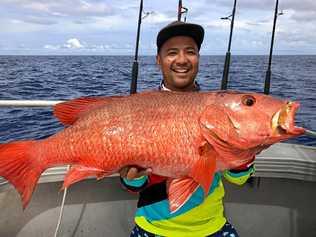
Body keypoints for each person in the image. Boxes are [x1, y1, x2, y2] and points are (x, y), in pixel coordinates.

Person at [120, 20, 255, 237]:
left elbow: (238, 179)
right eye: (172, 52)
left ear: (198, 59)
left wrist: (246, 150)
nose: (182, 60)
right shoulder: (138, 108)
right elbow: (132, 184)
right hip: (152, 227)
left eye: (190, 52)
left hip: (211, 227)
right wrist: (132, 177)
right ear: (158, 60)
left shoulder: (217, 111)